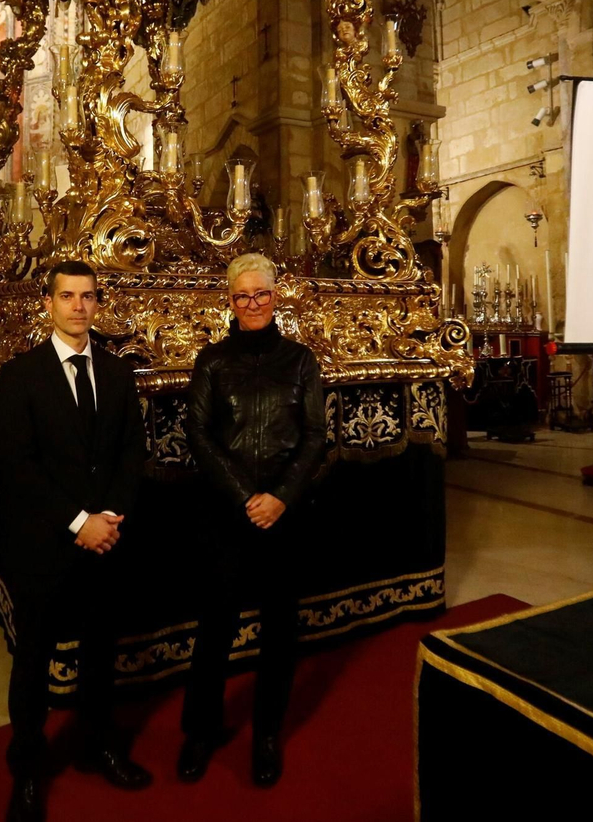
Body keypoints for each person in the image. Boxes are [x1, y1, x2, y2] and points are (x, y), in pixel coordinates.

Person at [0, 260, 153, 822]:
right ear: (48, 304)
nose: (78, 306)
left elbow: (132, 450)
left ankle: (98, 745)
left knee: (101, 652)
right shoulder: (21, 375)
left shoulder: (117, 372)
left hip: (106, 541)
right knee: (33, 660)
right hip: (46, 544)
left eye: (87, 297)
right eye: (67, 296)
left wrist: (108, 516)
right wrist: (78, 520)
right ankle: (27, 769)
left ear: (97, 304)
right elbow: (18, 466)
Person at [178, 252, 325, 787]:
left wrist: (280, 497)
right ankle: (201, 731)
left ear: (275, 296)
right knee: (215, 628)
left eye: (261, 293)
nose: (253, 303)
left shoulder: (301, 361)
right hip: (227, 513)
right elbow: (198, 433)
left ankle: (266, 735)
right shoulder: (212, 361)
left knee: (279, 631)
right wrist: (246, 497)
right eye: (243, 296)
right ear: (231, 302)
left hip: (284, 516)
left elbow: (315, 435)